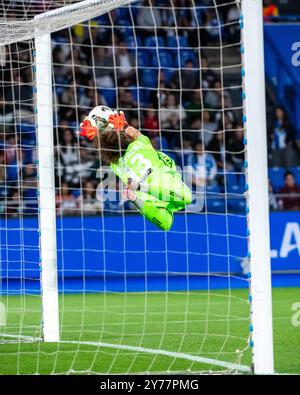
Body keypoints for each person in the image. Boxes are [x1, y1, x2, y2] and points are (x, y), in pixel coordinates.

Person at [79, 106, 192, 231]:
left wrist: (96, 137)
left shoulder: (116, 164)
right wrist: (124, 125)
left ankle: (135, 198)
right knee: (186, 198)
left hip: (147, 196)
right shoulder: (141, 143)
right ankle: (137, 194)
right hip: (159, 182)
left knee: (166, 224)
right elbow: (133, 133)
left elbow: (107, 149)